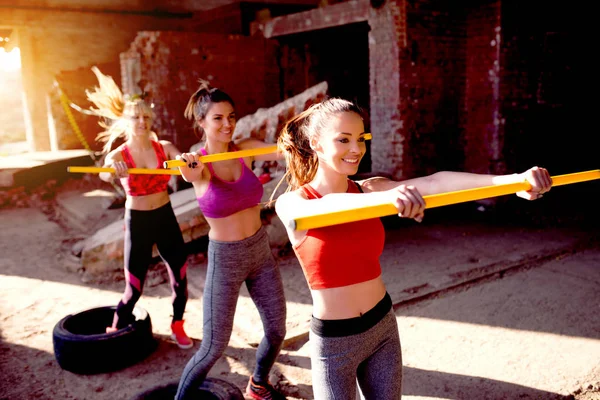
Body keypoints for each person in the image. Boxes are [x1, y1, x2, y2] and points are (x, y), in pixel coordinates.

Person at [274, 98, 552, 399]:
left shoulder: (370, 188)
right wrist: (386, 200)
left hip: (382, 329)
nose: (356, 149)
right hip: (335, 343)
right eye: (343, 140)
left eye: (361, 139)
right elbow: (327, 207)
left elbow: (437, 181)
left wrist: (514, 181)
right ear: (316, 143)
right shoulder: (292, 203)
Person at [174, 81, 287, 400]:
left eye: (231, 117)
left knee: (277, 330)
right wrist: (190, 169)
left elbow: (285, 151)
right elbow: (189, 175)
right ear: (201, 123)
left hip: (260, 251)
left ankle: (258, 383)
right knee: (212, 348)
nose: (227, 124)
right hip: (226, 258)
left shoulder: (246, 150)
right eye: (218, 118)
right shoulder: (197, 164)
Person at [87, 67, 192, 349]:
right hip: (138, 221)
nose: (142, 122)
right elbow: (105, 173)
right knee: (133, 288)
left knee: (180, 278)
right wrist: (113, 172)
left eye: (146, 117)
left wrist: (185, 162)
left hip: (165, 217)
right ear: (126, 120)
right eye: (136, 117)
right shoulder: (119, 155)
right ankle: (115, 329)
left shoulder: (164, 147)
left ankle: (177, 324)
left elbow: (181, 163)